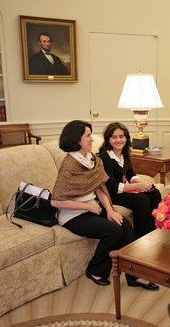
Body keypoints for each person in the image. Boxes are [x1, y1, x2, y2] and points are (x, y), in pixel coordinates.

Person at [50, 120, 158, 290]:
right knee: (113, 230)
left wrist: (110, 211)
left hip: (93, 207)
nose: (92, 139)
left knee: (124, 224)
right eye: (88, 136)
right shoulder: (69, 165)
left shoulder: (91, 159)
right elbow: (56, 200)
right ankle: (95, 270)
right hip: (73, 215)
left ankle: (135, 275)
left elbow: (100, 188)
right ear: (77, 139)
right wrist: (89, 207)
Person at [98, 122, 162, 238]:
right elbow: (112, 187)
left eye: (121, 136)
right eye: (114, 137)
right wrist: (137, 187)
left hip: (121, 189)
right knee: (142, 200)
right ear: (108, 140)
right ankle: (142, 238)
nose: (118, 140)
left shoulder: (124, 153)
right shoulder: (105, 157)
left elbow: (131, 175)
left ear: (126, 138)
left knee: (154, 193)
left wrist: (143, 184)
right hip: (110, 194)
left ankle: (156, 231)